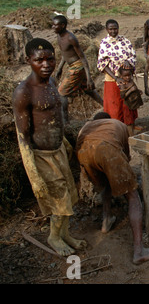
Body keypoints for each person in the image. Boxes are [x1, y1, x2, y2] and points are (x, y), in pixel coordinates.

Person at [12, 38, 86, 256]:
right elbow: (23, 136)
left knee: (70, 195)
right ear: (28, 60)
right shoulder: (23, 92)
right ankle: (54, 237)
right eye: (39, 60)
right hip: (41, 156)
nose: (46, 64)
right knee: (59, 199)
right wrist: (34, 175)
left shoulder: (52, 82)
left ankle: (65, 234)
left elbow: (55, 118)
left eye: (50, 59)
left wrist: (64, 143)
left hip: (58, 150)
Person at [76, 112, 149, 265]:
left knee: (105, 184)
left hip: (84, 153)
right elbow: (125, 158)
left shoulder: (85, 127)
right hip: (107, 149)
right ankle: (139, 251)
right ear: (107, 119)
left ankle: (106, 221)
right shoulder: (117, 124)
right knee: (133, 196)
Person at [97, 19, 140, 136]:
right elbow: (102, 64)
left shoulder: (125, 41)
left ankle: (130, 130)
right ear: (107, 29)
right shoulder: (104, 43)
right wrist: (116, 78)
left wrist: (127, 61)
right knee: (114, 105)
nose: (113, 31)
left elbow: (133, 55)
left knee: (128, 103)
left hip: (126, 78)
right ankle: (116, 131)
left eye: (115, 28)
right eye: (110, 29)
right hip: (112, 79)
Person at [52, 15, 103, 111]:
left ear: (62, 25)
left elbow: (83, 57)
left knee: (61, 93)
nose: (53, 27)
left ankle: (65, 120)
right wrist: (59, 68)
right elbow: (64, 53)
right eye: (53, 25)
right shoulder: (59, 36)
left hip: (77, 67)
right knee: (88, 90)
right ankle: (106, 107)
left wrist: (89, 78)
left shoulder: (70, 38)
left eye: (55, 25)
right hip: (73, 66)